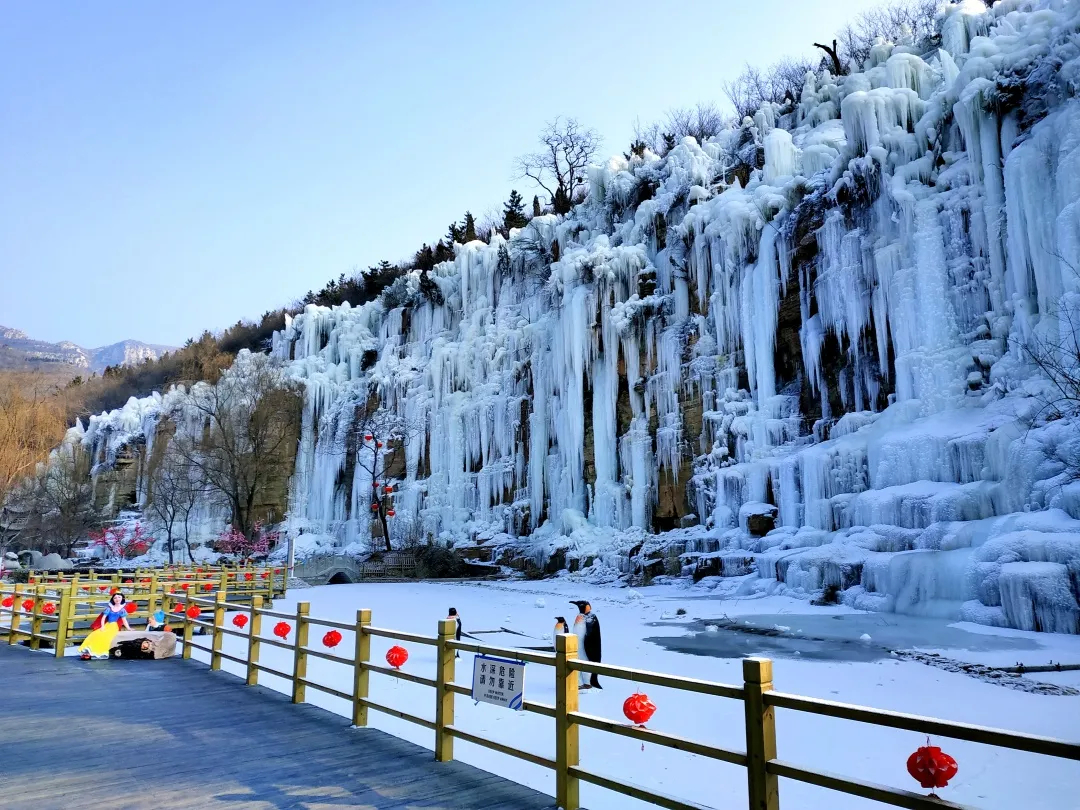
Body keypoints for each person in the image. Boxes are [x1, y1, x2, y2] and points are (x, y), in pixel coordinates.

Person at [80, 592, 132, 660]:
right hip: (107, 624)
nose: (117, 599)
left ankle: (100, 652)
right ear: (113, 599)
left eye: (119, 597)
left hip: (114, 626)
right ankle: (90, 650)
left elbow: (124, 620)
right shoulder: (109, 608)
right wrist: (102, 626)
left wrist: (128, 628)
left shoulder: (122, 610)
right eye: (115, 598)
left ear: (122, 598)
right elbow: (103, 618)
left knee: (106, 636)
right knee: (95, 634)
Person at [570, 600, 602, 689]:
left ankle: (588, 683)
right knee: (580, 659)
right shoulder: (582, 618)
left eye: (580, 605)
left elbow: (592, 638)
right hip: (580, 648)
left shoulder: (591, 619)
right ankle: (581, 682)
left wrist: (588, 647)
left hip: (588, 649)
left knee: (586, 660)